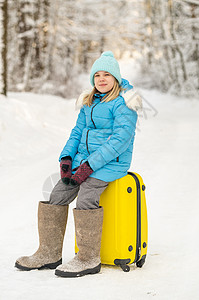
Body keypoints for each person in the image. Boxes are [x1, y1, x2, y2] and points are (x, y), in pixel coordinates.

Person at [15, 51, 142, 278]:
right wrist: (67, 158)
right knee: (58, 194)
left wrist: (89, 166)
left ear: (116, 78)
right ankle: (48, 254)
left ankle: (88, 258)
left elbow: (120, 141)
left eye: (107, 75)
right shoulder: (89, 101)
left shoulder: (124, 103)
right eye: (97, 75)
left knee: (87, 194)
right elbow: (77, 133)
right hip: (86, 162)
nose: (101, 79)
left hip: (112, 163)